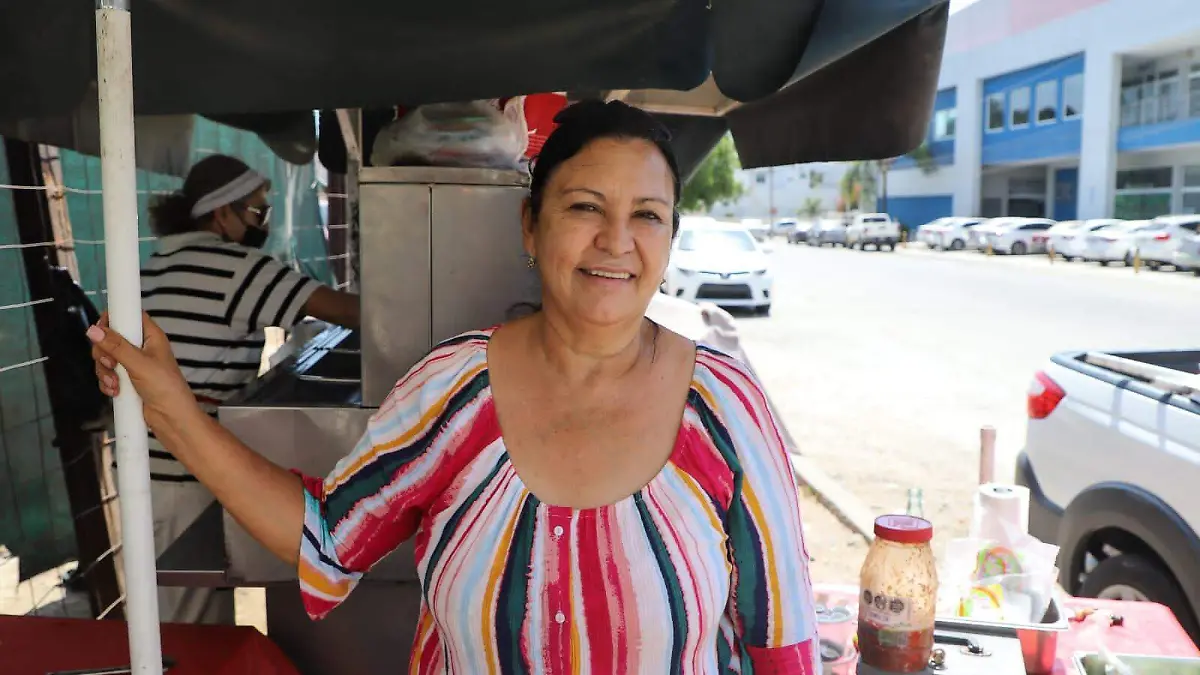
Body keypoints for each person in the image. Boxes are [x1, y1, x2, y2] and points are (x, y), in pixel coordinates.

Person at [89, 101, 818, 672]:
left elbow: (782, 641)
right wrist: (172, 408)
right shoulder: (454, 388)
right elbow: (325, 541)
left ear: (669, 238)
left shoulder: (725, 408)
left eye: (647, 215)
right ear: (530, 226)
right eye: (585, 206)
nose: (616, 240)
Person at [136, 154, 360, 624]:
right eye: (258, 210)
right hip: (185, 467)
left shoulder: (155, 264)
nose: (263, 222)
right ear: (222, 213)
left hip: (143, 465)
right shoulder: (235, 267)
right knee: (193, 624)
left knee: (169, 615)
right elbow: (347, 312)